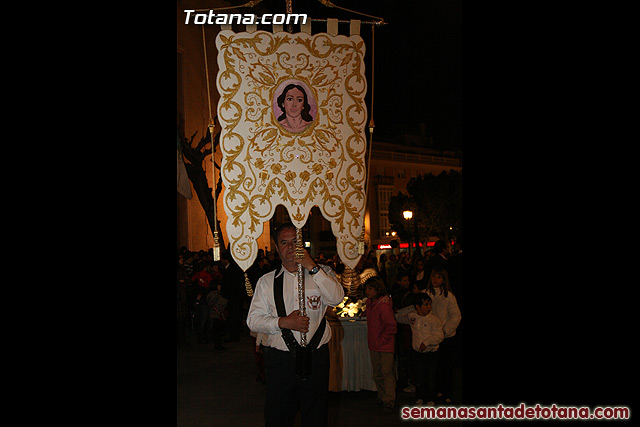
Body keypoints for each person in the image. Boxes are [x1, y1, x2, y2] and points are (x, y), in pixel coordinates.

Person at [246, 222, 344, 427]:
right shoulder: (266, 281)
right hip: (280, 361)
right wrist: (283, 322)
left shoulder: (322, 273)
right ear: (277, 248)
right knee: (278, 417)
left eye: (295, 242)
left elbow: (336, 298)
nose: (290, 247)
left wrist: (311, 267)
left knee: (316, 417)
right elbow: (252, 320)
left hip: (316, 358)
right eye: (284, 243)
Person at [396, 293, 444, 406]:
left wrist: (426, 343)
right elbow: (399, 316)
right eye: (426, 304)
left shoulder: (434, 320)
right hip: (417, 353)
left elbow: (439, 335)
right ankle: (420, 397)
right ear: (417, 306)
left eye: (429, 304)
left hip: (431, 353)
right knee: (419, 376)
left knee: (430, 377)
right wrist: (404, 309)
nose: (429, 307)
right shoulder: (413, 316)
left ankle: (431, 398)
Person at [425, 267, 461, 404]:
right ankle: (435, 390)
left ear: (444, 280)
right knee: (433, 367)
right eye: (434, 277)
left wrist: (445, 331)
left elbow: (456, 316)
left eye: (439, 277)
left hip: (446, 336)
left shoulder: (449, 296)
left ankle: (447, 392)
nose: (435, 280)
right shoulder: (426, 293)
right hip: (431, 335)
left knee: (446, 366)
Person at [363, 276, 397, 411]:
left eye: (370, 288)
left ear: (378, 290)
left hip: (385, 345)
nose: (367, 291)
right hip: (375, 344)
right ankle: (383, 396)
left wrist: (382, 340)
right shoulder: (371, 303)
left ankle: (389, 399)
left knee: (387, 372)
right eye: (366, 288)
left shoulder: (383, 306)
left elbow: (391, 327)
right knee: (377, 373)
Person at [206, 280, 228, 350]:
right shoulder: (215, 295)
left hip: (216, 314)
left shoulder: (215, 294)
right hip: (217, 314)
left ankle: (217, 344)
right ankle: (217, 345)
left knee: (217, 330)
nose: (220, 287)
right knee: (217, 330)